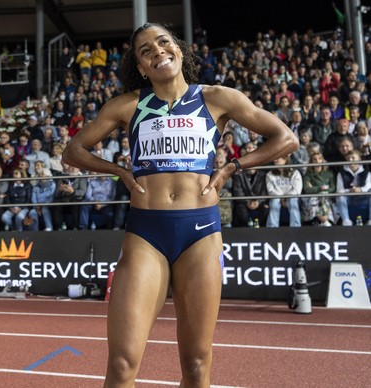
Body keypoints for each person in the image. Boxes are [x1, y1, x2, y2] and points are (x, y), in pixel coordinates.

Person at [62, 23, 297, 386]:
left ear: (180, 51)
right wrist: (121, 173)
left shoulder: (218, 97)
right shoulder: (128, 105)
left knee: (197, 362)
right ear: (140, 67)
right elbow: (73, 150)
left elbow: (285, 138)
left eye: (163, 43)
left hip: (200, 233)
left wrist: (231, 167)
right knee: (123, 363)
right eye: (145, 50)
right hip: (145, 234)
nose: (156, 51)